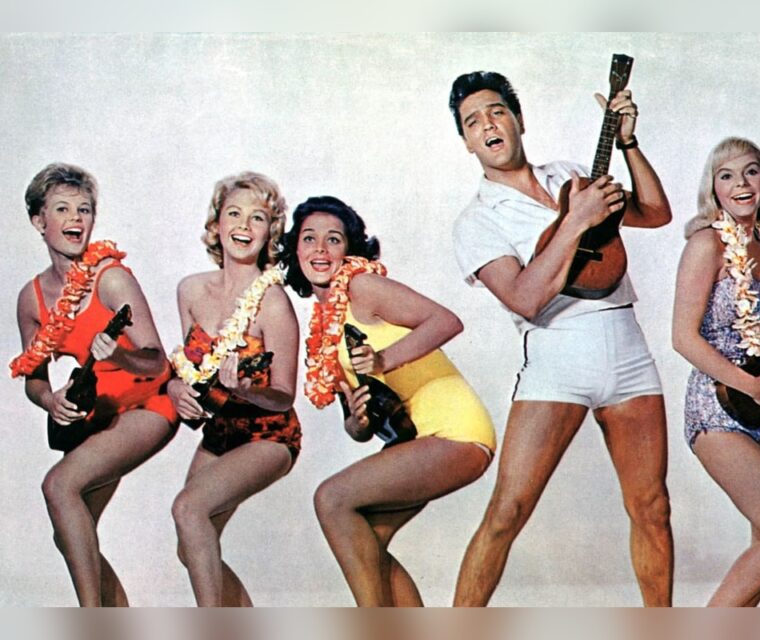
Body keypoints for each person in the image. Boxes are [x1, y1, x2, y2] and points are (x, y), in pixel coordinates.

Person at [448, 70, 673, 606]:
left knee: (652, 508)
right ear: (467, 142)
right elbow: (525, 298)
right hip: (556, 356)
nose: (488, 125)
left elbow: (655, 213)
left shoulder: (571, 175)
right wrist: (576, 222)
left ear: (519, 120)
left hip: (627, 347)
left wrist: (629, 144)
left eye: (497, 111)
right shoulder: (477, 220)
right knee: (507, 513)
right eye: (473, 122)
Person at [281, 195, 496, 606]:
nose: (320, 249)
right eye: (309, 238)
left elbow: (446, 321)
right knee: (366, 546)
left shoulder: (362, 287)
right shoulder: (325, 329)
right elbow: (359, 428)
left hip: (456, 432)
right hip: (414, 441)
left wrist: (383, 359)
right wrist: (357, 422)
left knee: (331, 498)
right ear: (296, 249)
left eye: (333, 239)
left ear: (350, 250)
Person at [11, 163, 178, 606]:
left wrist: (119, 355)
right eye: (62, 209)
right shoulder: (31, 299)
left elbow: (156, 359)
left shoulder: (111, 278)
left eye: (84, 209)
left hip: (149, 404)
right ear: (39, 221)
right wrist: (50, 400)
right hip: (97, 415)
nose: (75, 219)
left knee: (58, 486)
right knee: (71, 534)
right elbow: (33, 377)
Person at [671, 138, 760, 606]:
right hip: (718, 405)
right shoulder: (706, 244)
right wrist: (750, 385)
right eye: (726, 175)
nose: (741, 184)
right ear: (713, 188)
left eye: (751, 171)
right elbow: (682, 337)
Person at [167, 171, 301, 606]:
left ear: (269, 232)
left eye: (257, 217)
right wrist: (175, 389)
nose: (244, 226)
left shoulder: (273, 302)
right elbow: (188, 367)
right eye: (234, 214)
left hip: (269, 436)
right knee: (191, 544)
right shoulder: (190, 290)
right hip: (220, 432)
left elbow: (284, 394)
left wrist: (244, 389)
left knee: (189, 509)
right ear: (216, 224)